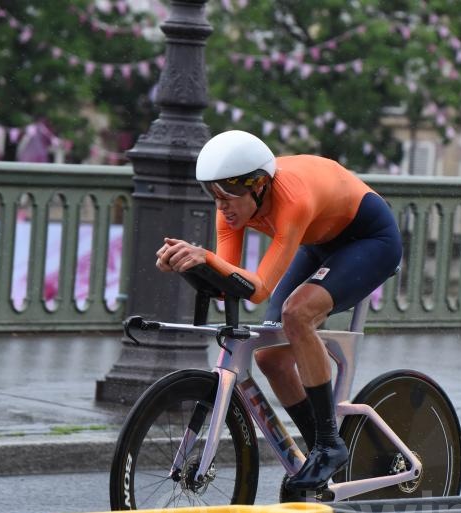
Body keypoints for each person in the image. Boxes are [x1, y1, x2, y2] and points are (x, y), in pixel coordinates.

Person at [155, 130, 402, 492]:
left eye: (228, 196)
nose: (221, 206)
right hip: (319, 242)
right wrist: (190, 266)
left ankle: (329, 444)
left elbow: (258, 290)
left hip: (370, 239)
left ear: (259, 186)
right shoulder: (232, 208)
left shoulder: (292, 200)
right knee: (270, 356)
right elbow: (229, 284)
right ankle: (320, 451)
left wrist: (205, 257)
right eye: (213, 195)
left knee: (297, 314)